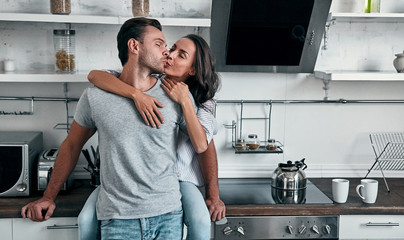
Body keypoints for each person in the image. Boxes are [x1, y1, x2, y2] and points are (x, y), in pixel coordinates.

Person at [21, 17, 191, 240]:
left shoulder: (175, 93)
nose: (166, 52)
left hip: (168, 214)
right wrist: (48, 197)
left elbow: (203, 144)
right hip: (118, 217)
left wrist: (214, 196)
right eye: (159, 44)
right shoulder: (96, 96)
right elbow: (72, 146)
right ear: (134, 46)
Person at [79, 34, 226, 240]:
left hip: (177, 179)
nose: (170, 54)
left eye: (180, 54)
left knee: (201, 220)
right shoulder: (150, 79)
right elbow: (95, 75)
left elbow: (204, 146)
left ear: (192, 69)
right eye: (171, 48)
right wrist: (136, 94)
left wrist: (213, 196)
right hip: (130, 182)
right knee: (85, 219)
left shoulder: (203, 104)